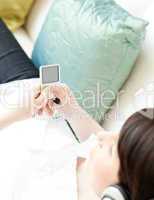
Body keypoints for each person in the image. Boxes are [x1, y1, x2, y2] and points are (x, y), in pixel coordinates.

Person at [0, 19, 154, 200]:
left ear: (117, 195)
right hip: (26, 90)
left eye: (112, 149)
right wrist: (69, 107)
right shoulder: (105, 168)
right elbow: (96, 136)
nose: (104, 136)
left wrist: (17, 113)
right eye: (118, 135)